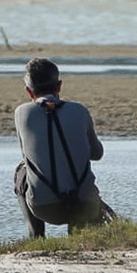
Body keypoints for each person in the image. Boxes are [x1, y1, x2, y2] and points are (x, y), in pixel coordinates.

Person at [13, 57, 109, 238]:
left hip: (43, 206)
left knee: (22, 170)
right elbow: (97, 154)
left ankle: (36, 237)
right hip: (84, 203)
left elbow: (27, 156)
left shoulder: (21, 113)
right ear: (59, 86)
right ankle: (79, 235)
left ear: (28, 91)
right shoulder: (79, 110)